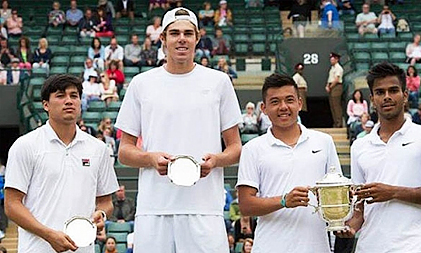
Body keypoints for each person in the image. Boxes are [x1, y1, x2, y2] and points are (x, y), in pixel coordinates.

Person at [114, 7, 242, 252]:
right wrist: (150, 158)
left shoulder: (219, 82)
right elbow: (125, 151)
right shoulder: (141, 84)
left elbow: (235, 147)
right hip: (154, 209)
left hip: (205, 209)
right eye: (174, 33)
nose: (181, 39)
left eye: (187, 33)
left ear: (197, 38)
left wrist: (216, 160)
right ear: (162, 39)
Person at [337, 62, 421, 252]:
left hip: (411, 247)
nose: (387, 97)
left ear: (405, 95)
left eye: (393, 90)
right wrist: (350, 227)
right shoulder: (359, 145)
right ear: (372, 99)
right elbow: (360, 205)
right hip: (368, 247)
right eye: (380, 92)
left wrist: (394, 192)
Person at [5, 74, 119, 252]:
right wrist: (48, 235)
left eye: (74, 96)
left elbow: (106, 202)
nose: (69, 101)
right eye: (60, 95)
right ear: (46, 105)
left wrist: (101, 214)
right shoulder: (25, 145)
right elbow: (12, 205)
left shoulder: (99, 149)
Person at [236, 73, 341, 252]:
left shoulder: (324, 142)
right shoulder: (252, 149)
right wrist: (284, 201)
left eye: (289, 100)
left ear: (299, 103)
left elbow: (337, 192)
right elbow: (246, 205)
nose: (283, 107)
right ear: (264, 108)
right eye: (275, 102)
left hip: (317, 247)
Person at [326, 52, 344, 128]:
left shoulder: (338, 68)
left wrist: (330, 87)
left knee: (336, 105)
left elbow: (336, 79)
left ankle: (339, 123)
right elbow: (330, 78)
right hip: (331, 86)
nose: (331, 60)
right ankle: (335, 122)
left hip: (336, 86)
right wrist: (327, 86)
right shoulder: (332, 68)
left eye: (333, 59)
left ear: (337, 59)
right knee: (332, 106)